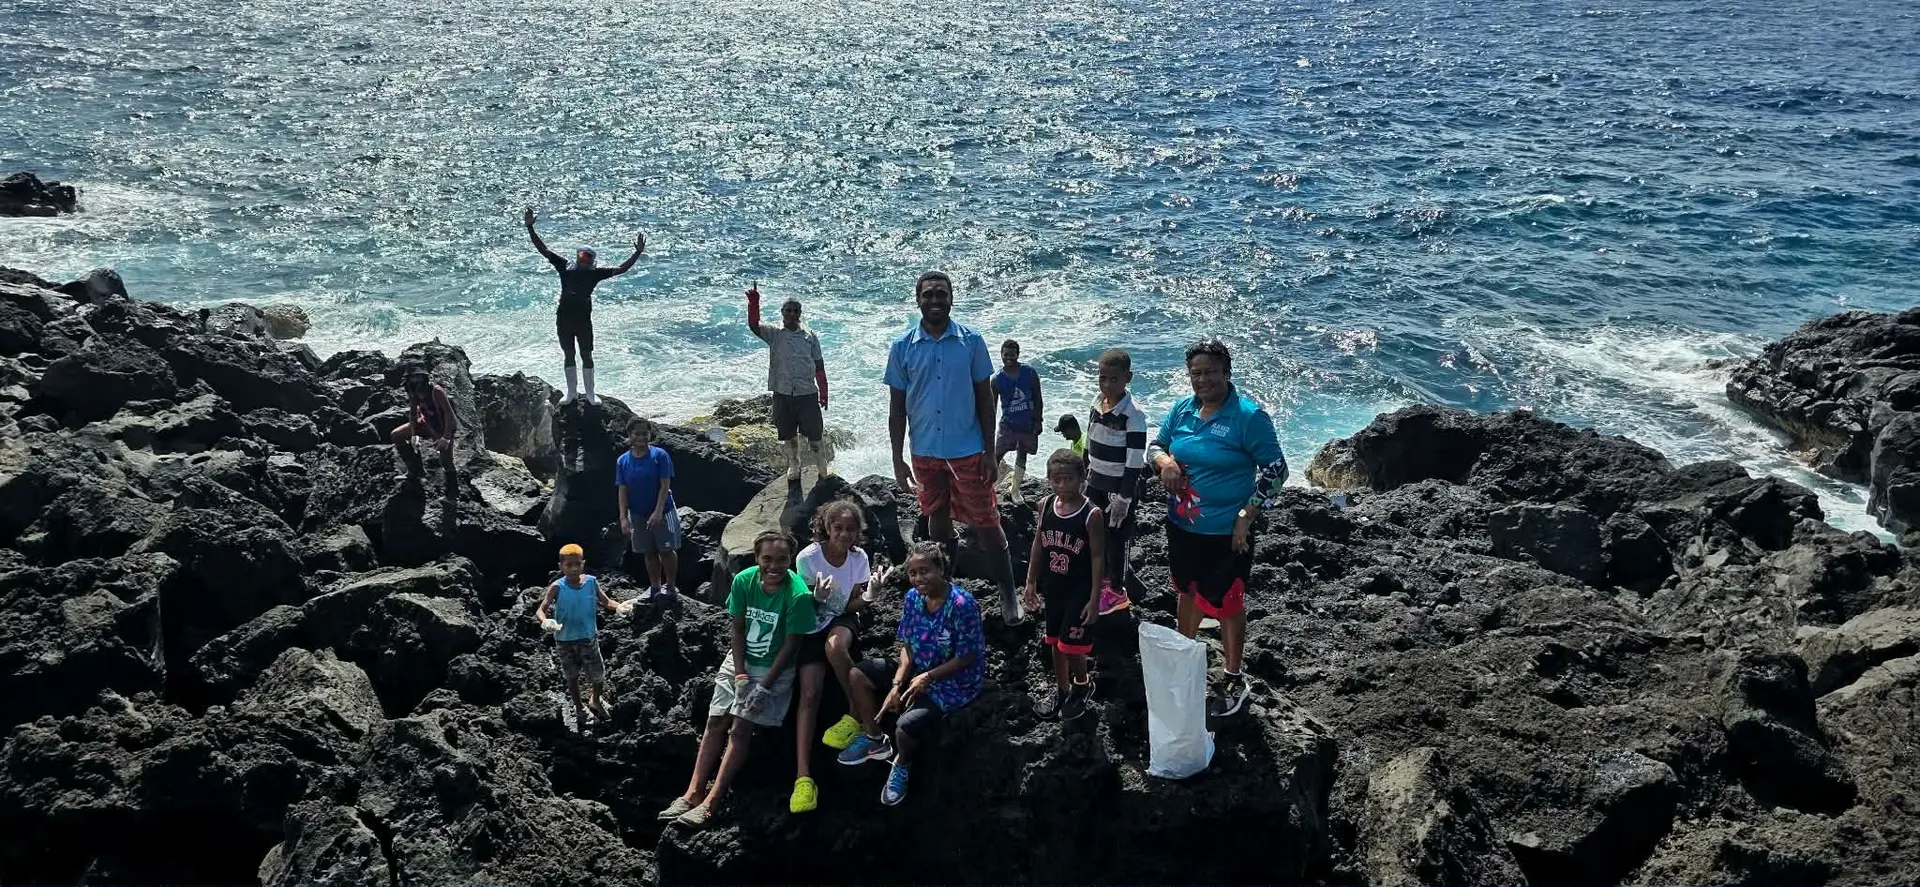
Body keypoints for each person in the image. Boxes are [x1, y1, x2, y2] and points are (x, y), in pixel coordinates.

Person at [1148, 338, 1287, 718]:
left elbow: (1277, 471)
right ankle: (1184, 659)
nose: (1202, 379)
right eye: (1195, 373)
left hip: (1227, 533)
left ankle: (1232, 676)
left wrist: (1247, 516)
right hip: (1181, 527)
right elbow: (1154, 445)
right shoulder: (1182, 409)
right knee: (1186, 590)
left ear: (1226, 372)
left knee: (1228, 602)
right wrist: (1165, 463)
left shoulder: (1248, 416)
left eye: (1210, 371)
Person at [885, 271, 1025, 624]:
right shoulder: (902, 347)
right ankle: (944, 591)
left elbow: (985, 401)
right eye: (928, 294)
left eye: (941, 294)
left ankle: (1008, 594)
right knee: (937, 519)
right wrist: (898, 458)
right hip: (925, 452)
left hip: (968, 450)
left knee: (987, 520)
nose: (935, 300)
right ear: (917, 299)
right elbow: (896, 407)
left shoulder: (971, 342)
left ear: (951, 298)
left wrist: (990, 453)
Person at [659, 530, 815, 828]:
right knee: (716, 720)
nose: (774, 566)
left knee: (741, 728)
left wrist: (763, 687)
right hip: (741, 660)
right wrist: (740, 672)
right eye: (767, 559)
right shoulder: (744, 580)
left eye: (782, 560)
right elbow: (737, 629)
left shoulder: (798, 595)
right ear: (757, 558)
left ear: (790, 561)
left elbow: (791, 645)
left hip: (774, 668)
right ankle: (693, 792)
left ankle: (712, 801)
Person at [835, 541, 985, 807]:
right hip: (919, 668)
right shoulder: (912, 598)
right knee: (858, 675)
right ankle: (873, 739)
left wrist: (928, 678)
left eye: (925, 571)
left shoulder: (962, 605)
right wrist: (897, 684)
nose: (918, 578)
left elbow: (967, 656)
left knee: (904, 727)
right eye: (913, 573)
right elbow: (907, 644)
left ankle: (901, 763)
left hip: (953, 682)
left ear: (941, 568)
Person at [789, 500, 874, 813]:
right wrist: (815, 597)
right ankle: (802, 777)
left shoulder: (858, 558)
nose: (844, 535)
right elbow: (803, 607)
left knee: (836, 647)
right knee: (809, 694)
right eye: (838, 528)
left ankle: (854, 716)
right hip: (811, 623)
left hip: (841, 620)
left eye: (851, 529)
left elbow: (849, 608)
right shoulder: (807, 559)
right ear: (826, 527)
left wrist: (868, 597)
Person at [523, 206, 644, 406]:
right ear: (577, 257)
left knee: (586, 354)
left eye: (588, 259)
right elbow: (543, 250)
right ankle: (571, 392)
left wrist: (637, 253)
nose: (584, 261)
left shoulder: (594, 274)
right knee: (568, 353)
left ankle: (590, 393)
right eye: (581, 257)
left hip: (583, 320)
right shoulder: (565, 267)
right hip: (564, 318)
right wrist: (530, 228)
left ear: (592, 262)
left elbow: (622, 269)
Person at [1022, 450, 1105, 721]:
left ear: (1082, 478)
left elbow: (1097, 557)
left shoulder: (1091, 515)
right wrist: (1031, 581)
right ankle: (1061, 688)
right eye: (1055, 480)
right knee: (1055, 643)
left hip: (1079, 593)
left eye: (1068, 479)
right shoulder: (1045, 505)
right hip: (1054, 588)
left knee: (1072, 647)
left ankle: (1082, 683)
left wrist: (1096, 598)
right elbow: (1038, 543)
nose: (1061, 485)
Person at [535, 543, 633, 727]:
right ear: (560, 566)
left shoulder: (591, 582)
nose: (573, 568)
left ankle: (595, 699)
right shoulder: (557, 587)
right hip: (564, 640)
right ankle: (579, 708)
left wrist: (619, 606)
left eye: (577, 564)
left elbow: (606, 601)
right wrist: (545, 621)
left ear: (583, 563)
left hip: (589, 637)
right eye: (568, 565)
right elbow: (541, 610)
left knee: (598, 674)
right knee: (571, 675)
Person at [744, 283, 831, 482]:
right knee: (788, 436)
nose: (792, 314)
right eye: (788, 310)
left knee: (815, 437)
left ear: (800, 313)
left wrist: (823, 392)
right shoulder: (774, 334)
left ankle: (821, 465)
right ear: (782, 313)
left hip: (807, 393)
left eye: (795, 310)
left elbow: (819, 366)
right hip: (782, 393)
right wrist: (754, 304)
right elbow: (754, 326)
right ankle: (794, 465)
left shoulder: (810, 336)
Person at [1084, 348, 1149, 615]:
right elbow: (1088, 443)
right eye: (1102, 378)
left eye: (1113, 379)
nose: (1107, 384)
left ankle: (1118, 592)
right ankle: (1104, 581)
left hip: (1117, 491)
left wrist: (1124, 497)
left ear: (1127, 378)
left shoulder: (1133, 415)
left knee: (1117, 540)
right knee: (1093, 535)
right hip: (1094, 483)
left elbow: (1135, 462)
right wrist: (1083, 474)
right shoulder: (1097, 403)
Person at [616, 417, 681, 600]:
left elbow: (665, 484)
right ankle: (654, 587)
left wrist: (658, 511)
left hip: (663, 509)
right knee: (649, 552)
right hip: (638, 513)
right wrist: (623, 517)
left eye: (645, 433)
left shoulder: (660, 455)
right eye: (637, 434)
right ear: (629, 435)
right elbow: (622, 489)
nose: (641, 437)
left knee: (666, 550)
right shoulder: (622, 461)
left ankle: (671, 585)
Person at [991, 339, 1043, 504]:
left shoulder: (1029, 373)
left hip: (1027, 423)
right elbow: (991, 408)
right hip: (1007, 425)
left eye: (1012, 354)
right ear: (1001, 355)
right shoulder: (997, 379)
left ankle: (1015, 490)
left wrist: (1038, 421)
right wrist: (987, 430)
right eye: (1005, 355)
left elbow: (1038, 398)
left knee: (1022, 454)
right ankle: (988, 489)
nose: (1009, 358)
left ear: (1018, 355)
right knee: (996, 455)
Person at [390, 366, 457, 478]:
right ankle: (415, 470)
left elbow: (448, 414)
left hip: (443, 427)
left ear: (424, 377)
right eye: (413, 377)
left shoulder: (436, 391)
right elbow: (412, 413)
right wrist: (413, 434)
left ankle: (453, 490)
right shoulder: (413, 390)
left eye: (419, 376)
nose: (416, 380)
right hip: (426, 423)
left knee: (446, 462)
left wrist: (445, 438)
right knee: (396, 435)